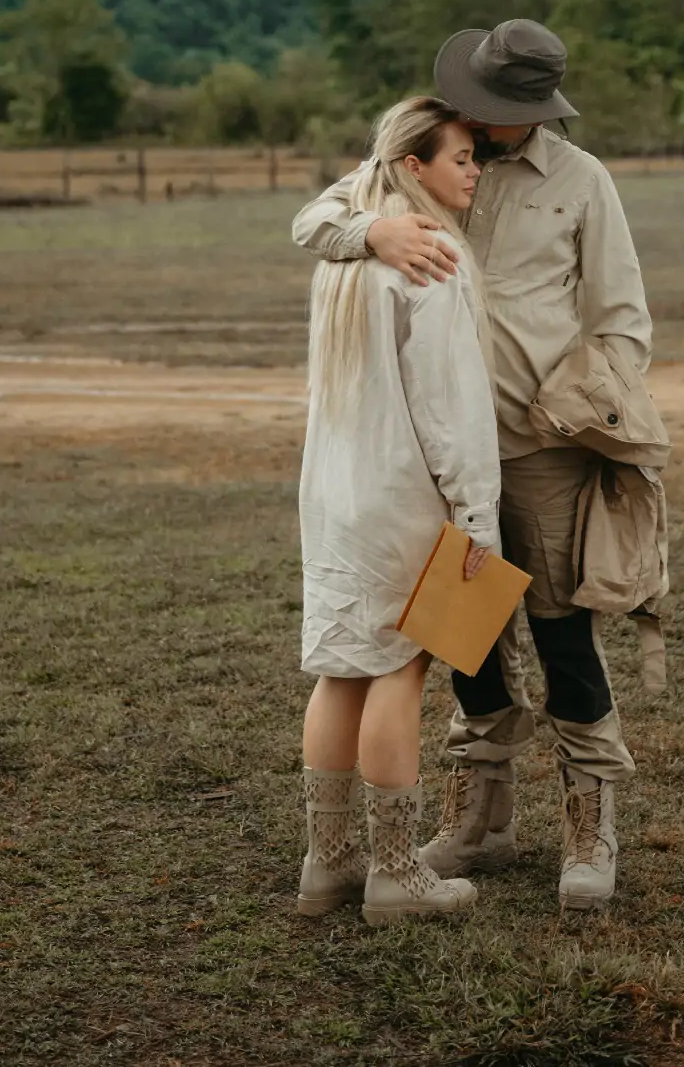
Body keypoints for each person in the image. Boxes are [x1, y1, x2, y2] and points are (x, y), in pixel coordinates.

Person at [293, 19, 654, 913]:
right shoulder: (427, 155)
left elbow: (622, 321)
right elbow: (313, 220)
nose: (484, 134)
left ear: (536, 109)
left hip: (539, 452)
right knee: (463, 643)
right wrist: (372, 233)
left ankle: (588, 821)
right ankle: (477, 813)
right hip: (433, 465)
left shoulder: (581, 182)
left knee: (563, 632)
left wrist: (584, 405)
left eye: (500, 117)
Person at [296, 95, 503, 927]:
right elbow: (450, 407)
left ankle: (327, 864)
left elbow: (322, 212)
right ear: (415, 166)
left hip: (336, 496)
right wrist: (478, 517)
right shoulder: (431, 258)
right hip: (405, 496)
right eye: (460, 158)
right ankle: (393, 875)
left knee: (339, 669)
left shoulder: (350, 249)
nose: (474, 171)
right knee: (398, 670)